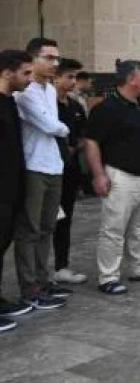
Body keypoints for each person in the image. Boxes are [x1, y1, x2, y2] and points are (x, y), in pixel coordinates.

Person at [85, 60, 140, 295]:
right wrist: (98, 175)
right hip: (121, 177)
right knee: (114, 229)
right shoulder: (106, 108)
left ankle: (139, 268)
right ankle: (108, 277)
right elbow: (92, 141)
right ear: (131, 79)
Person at [14, 37, 72, 308]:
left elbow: (54, 124)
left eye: (57, 58)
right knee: (30, 229)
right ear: (33, 58)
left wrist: (59, 126)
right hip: (33, 166)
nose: (54, 64)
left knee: (48, 226)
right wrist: (62, 128)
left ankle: (43, 277)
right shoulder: (23, 93)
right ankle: (29, 286)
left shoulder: (49, 89)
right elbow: (51, 126)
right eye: (48, 58)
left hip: (53, 165)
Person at [0, 50, 37, 328]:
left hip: (11, 190)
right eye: (25, 73)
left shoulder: (10, 102)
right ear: (6, 72)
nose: (30, 78)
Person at [52, 58, 88, 286]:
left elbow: (83, 134)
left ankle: (61, 266)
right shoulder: (45, 104)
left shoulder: (75, 106)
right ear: (56, 77)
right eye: (69, 76)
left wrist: (75, 147)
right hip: (48, 169)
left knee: (65, 219)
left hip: (70, 170)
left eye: (75, 77)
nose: (74, 81)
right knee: (44, 223)